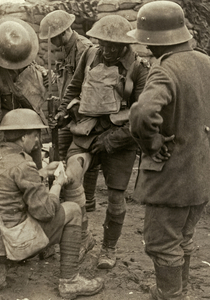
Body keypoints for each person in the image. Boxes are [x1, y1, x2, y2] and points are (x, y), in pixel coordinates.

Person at [0, 108, 104, 298]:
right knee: (73, 210)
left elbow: (8, 181)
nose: (37, 142)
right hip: (10, 241)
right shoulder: (24, 165)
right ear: (23, 137)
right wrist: (58, 184)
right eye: (35, 136)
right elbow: (46, 211)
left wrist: (41, 174)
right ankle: (70, 281)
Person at [128, 2, 210, 299]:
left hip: (172, 178)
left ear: (151, 40)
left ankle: (170, 295)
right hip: (201, 174)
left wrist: (152, 144)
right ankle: (178, 290)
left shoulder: (164, 70)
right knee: (183, 237)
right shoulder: (205, 62)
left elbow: (142, 114)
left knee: (162, 243)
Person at [54, 15, 150, 270]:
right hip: (85, 131)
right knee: (70, 180)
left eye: (113, 47)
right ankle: (82, 237)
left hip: (120, 137)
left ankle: (109, 247)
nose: (106, 51)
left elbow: (141, 117)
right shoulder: (89, 56)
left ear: (125, 45)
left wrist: (111, 141)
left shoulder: (139, 69)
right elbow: (74, 88)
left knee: (116, 197)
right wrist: (64, 112)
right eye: (102, 44)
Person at [39, 9, 96, 263]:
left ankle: (80, 233)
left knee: (70, 171)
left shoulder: (84, 48)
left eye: (54, 37)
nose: (51, 43)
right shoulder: (66, 50)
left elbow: (87, 87)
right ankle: (64, 230)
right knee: (59, 163)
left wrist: (68, 108)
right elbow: (65, 82)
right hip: (66, 115)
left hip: (80, 117)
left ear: (64, 33)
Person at [0, 17, 51, 170]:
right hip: (8, 139)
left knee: (35, 175)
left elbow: (33, 73)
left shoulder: (23, 52)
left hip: (31, 129)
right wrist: (12, 152)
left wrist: (44, 76)